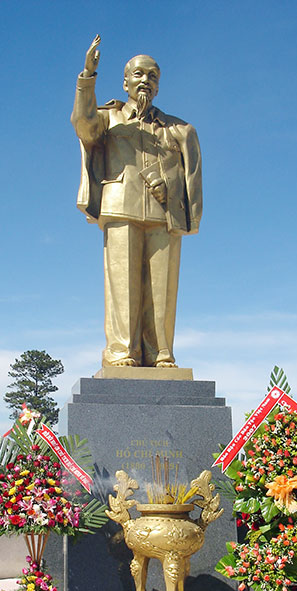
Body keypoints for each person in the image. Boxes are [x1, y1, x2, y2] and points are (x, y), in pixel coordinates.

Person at [71, 34, 202, 368]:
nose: (146, 81)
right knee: (123, 286)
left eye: (153, 76)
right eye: (139, 74)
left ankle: (160, 352)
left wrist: (179, 202)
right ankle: (122, 351)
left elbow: (193, 178)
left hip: (164, 213)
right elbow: (83, 126)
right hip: (119, 205)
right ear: (125, 81)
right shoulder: (108, 118)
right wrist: (87, 78)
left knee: (162, 290)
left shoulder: (179, 129)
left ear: (158, 86)